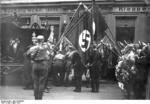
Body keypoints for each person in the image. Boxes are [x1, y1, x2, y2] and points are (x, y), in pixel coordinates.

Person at [27, 35, 50, 99]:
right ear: (43, 40)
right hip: (43, 64)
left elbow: (27, 54)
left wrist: (31, 59)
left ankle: (36, 98)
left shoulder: (33, 48)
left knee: (35, 82)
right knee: (41, 83)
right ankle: (40, 98)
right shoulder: (46, 48)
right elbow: (49, 55)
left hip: (35, 65)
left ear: (37, 40)